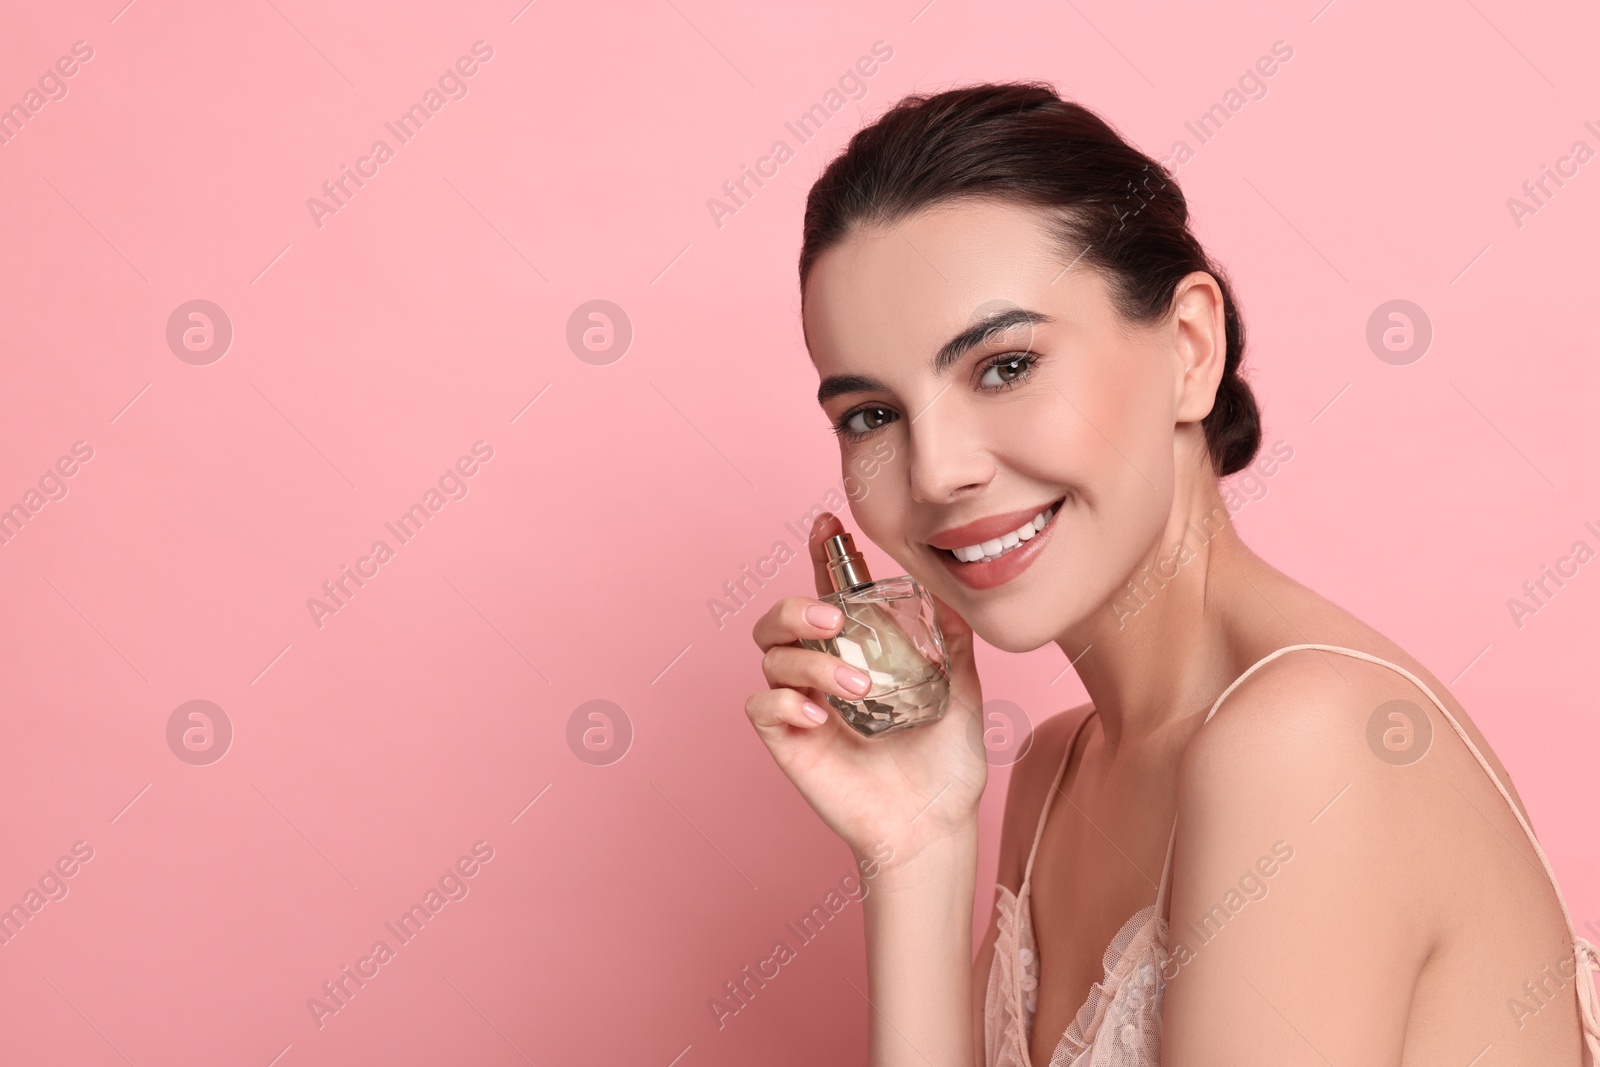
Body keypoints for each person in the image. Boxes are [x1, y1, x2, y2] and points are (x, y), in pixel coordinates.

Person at [743, 82, 1599, 1066]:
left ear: (1190, 348)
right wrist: (915, 847)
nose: (937, 470)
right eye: (871, 413)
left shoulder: (1307, 746)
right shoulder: (1058, 773)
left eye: (1004, 365)